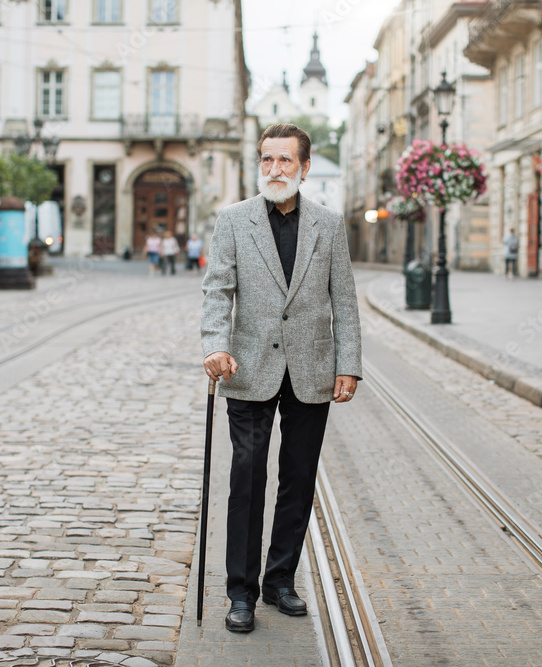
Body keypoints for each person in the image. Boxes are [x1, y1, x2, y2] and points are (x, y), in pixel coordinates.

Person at [201, 123, 363, 634]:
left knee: (298, 479)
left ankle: (280, 581)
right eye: (267, 160)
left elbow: (345, 300)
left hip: (312, 367)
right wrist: (215, 344)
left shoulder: (329, 224)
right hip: (247, 366)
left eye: (285, 161)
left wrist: (348, 363)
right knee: (246, 478)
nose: (274, 170)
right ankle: (241, 593)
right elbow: (217, 289)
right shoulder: (233, 220)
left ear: (305, 167)